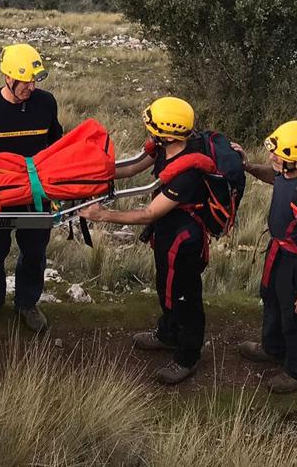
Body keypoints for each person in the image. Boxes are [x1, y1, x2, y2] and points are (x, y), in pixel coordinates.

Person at [80, 97, 211, 385]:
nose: (147, 129)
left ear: (166, 132)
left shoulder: (187, 175)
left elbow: (148, 213)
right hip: (167, 232)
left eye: (152, 126)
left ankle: (188, 356)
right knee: (165, 285)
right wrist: (87, 172)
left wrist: (103, 215)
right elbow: (133, 166)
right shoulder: (168, 147)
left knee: (184, 296)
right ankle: (167, 334)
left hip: (185, 240)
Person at [0, 43, 63, 332]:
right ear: (8, 77)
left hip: (36, 191)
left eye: (34, 80)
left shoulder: (46, 103)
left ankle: (27, 303)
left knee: (34, 251)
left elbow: (56, 143)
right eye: (26, 81)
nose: (31, 86)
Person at [234, 120, 297, 394]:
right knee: (272, 301)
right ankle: (272, 348)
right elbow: (273, 176)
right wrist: (249, 167)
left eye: (278, 155)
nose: (272, 158)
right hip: (278, 253)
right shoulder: (287, 174)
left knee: (296, 315)